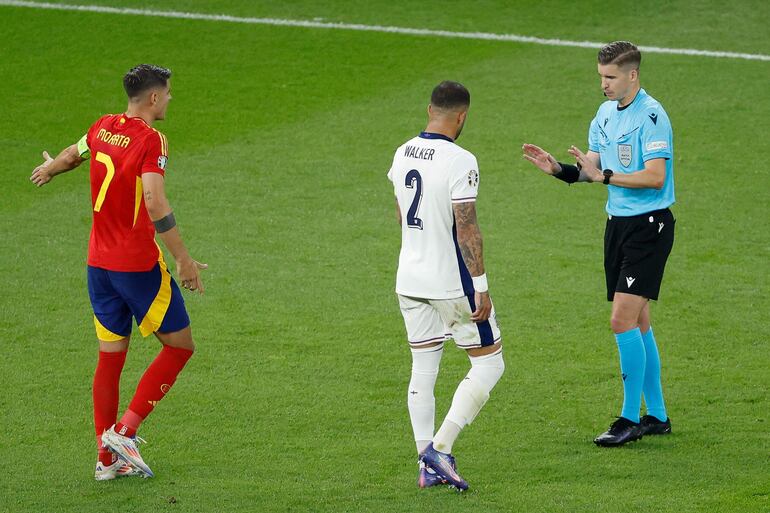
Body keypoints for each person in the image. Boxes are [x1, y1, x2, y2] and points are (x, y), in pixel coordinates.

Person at [30, 64, 207, 479]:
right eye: (168, 93)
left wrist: (50, 169)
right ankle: (124, 433)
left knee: (110, 359)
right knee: (179, 347)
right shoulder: (151, 139)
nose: (170, 99)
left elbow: (72, 155)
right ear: (153, 97)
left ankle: (105, 460)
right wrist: (183, 258)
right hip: (136, 264)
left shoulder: (103, 126)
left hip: (99, 265)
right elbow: (154, 200)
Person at [522, 41, 675, 447]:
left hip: (649, 227)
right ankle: (658, 416)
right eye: (601, 77)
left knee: (621, 321)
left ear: (632, 75)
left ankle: (629, 418)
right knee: (639, 322)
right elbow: (591, 169)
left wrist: (604, 176)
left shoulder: (652, 116)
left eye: (610, 77)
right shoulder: (605, 114)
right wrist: (558, 169)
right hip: (617, 226)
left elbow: (655, 177)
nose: (604, 84)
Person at [387, 81, 505, 490]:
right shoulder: (461, 159)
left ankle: (425, 465)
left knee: (423, 368)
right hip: (451, 283)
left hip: (409, 279)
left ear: (429, 110)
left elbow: (401, 215)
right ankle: (439, 448)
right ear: (462, 116)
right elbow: (467, 227)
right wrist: (481, 285)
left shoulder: (402, 152)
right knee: (490, 364)